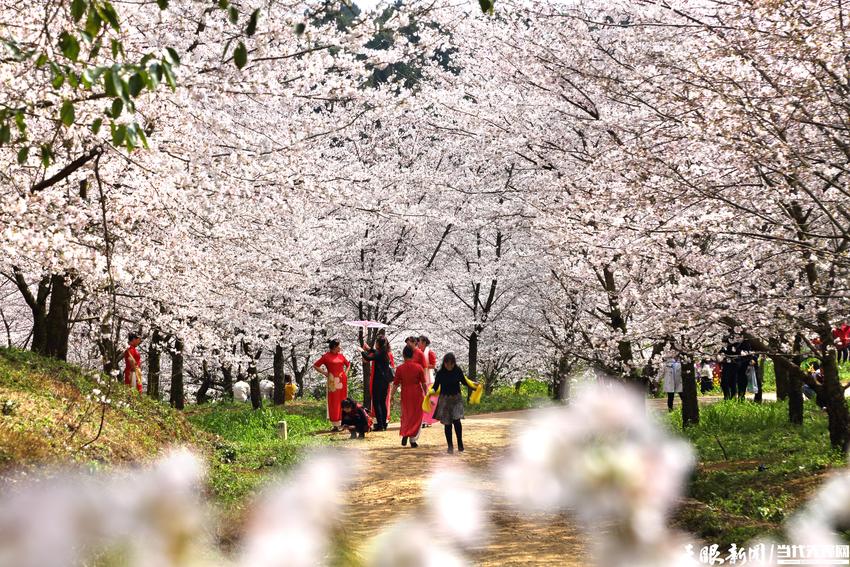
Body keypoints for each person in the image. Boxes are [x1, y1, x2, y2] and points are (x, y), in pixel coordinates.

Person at [432, 352, 478, 454]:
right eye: (447, 364)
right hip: (444, 400)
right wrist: (431, 394)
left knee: (457, 421)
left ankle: (460, 443)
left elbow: (464, 382)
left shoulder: (457, 370)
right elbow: (435, 386)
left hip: (456, 399)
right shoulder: (440, 373)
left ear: (454, 363)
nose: (449, 366)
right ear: (444, 363)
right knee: (447, 424)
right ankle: (450, 446)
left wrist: (474, 386)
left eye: (451, 364)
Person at [390, 345, 428, 448]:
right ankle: (413, 439)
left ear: (403, 355)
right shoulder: (418, 367)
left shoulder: (400, 368)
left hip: (405, 393)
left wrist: (391, 396)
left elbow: (396, 384)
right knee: (417, 416)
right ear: (413, 355)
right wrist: (427, 394)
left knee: (406, 415)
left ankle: (405, 433)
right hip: (417, 393)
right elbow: (424, 383)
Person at [313, 339, 351, 432]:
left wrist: (345, 373)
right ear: (334, 347)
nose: (340, 347)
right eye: (338, 346)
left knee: (343, 401)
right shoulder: (326, 356)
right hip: (332, 382)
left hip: (342, 381)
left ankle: (343, 422)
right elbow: (315, 365)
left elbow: (348, 364)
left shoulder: (341, 356)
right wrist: (324, 373)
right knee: (334, 402)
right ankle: (335, 424)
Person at [362, 337, 394, 431]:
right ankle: (383, 424)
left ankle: (380, 425)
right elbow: (374, 352)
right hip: (385, 382)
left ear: (379, 344)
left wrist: (362, 351)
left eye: (376, 342)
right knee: (382, 403)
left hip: (378, 381)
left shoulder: (379, 353)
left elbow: (368, 357)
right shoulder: (385, 352)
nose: (375, 344)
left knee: (377, 403)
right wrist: (368, 349)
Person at [419, 335, 438, 428]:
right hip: (420, 379)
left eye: (419, 342)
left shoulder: (429, 352)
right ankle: (422, 419)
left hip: (429, 379)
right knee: (421, 399)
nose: (418, 343)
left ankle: (427, 420)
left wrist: (424, 366)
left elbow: (434, 365)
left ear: (424, 343)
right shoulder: (418, 352)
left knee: (428, 399)